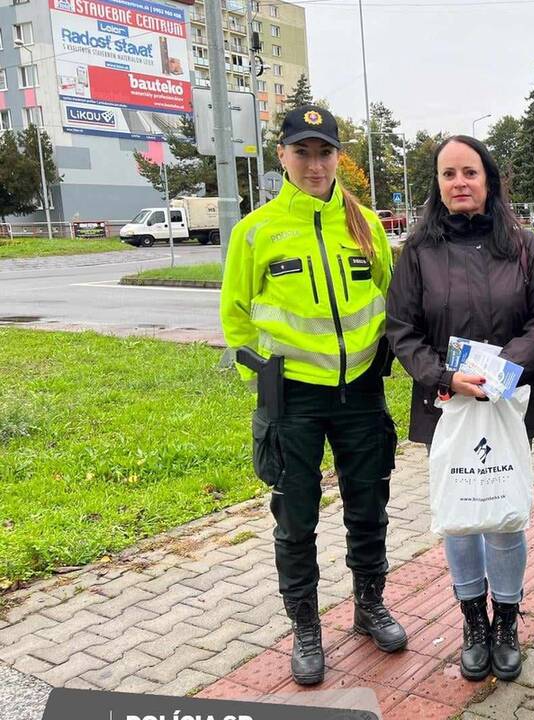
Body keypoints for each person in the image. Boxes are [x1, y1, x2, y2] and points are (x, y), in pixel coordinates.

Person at [220, 105, 407, 687]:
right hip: (293, 400)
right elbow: (235, 316)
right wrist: (266, 373)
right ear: (282, 156)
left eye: (325, 152)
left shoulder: (366, 224)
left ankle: (368, 604)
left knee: (367, 507)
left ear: (337, 158)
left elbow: (388, 298)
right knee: (295, 518)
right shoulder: (257, 230)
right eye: (302, 152)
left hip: (361, 393)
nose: (315, 163)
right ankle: (305, 626)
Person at [385, 135, 534, 682]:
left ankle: (506, 620)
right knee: (461, 517)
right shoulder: (417, 251)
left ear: (489, 180)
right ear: (437, 185)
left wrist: (508, 368)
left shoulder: (523, 246)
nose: (459, 183)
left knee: (504, 512)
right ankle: (472, 622)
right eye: (448, 174)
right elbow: (401, 329)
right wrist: (443, 377)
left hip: (507, 403)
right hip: (447, 404)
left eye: (470, 172)